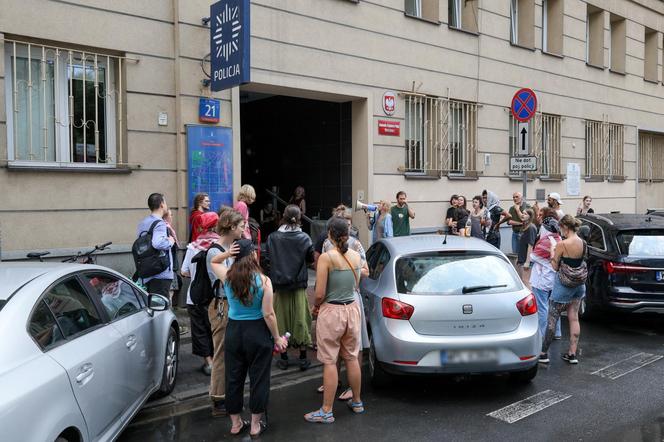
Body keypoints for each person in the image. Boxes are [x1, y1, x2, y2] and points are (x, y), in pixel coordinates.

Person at [210, 239, 287, 437]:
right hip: (258, 332)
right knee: (259, 378)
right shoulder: (264, 281)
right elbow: (269, 314)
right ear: (253, 255)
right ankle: (255, 425)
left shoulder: (228, 277)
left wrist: (228, 254)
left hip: (234, 332)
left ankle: (236, 423)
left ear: (236, 256)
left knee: (233, 378)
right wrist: (277, 338)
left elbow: (213, 262)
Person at [305, 217, 364, 424]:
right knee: (351, 357)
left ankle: (327, 410)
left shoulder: (326, 258)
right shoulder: (356, 256)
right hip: (352, 309)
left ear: (330, 233)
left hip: (332, 311)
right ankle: (357, 402)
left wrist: (315, 307)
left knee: (330, 360)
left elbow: (319, 293)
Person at [207, 207, 246, 417]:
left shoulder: (230, 248)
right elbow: (228, 280)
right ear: (231, 227)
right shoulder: (215, 252)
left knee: (231, 352)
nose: (243, 230)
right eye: (241, 226)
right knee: (221, 352)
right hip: (220, 306)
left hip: (229, 305)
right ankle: (218, 399)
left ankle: (227, 395)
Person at [267, 205, 315, 370]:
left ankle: (284, 357)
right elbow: (310, 259)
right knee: (301, 320)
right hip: (299, 286)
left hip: (280, 287)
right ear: (299, 218)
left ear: (284, 216)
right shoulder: (305, 238)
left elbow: (267, 260)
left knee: (280, 321)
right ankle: (302, 357)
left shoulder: (273, 237)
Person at [539, 215, 587, 365]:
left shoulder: (562, 244)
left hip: (563, 285)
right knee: (574, 318)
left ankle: (543, 353)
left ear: (565, 227)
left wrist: (553, 251)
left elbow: (554, 267)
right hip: (579, 286)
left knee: (552, 318)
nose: (560, 231)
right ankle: (572, 354)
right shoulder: (583, 243)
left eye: (560, 228)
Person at [180, 211, 220, 376]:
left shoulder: (193, 247)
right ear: (216, 225)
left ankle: (209, 362)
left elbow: (184, 272)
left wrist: (196, 274)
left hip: (195, 296)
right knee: (215, 328)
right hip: (216, 296)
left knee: (200, 330)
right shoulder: (220, 246)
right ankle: (218, 360)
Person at [529, 208, 563, 340]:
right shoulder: (559, 239)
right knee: (554, 307)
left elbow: (533, 257)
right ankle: (557, 332)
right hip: (555, 279)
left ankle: (542, 334)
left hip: (542, 280)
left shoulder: (545, 241)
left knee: (542, 308)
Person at [136, 193, 175, 297]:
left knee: (150, 306)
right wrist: (171, 241)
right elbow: (158, 243)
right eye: (165, 202)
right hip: (160, 274)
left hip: (146, 272)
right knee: (160, 308)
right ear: (162, 204)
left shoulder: (143, 223)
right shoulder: (160, 223)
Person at [163, 209, 181, 305]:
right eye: (171, 214)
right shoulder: (166, 228)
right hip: (169, 265)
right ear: (166, 217)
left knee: (170, 292)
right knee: (169, 292)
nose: (172, 216)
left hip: (170, 265)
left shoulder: (168, 228)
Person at [516, 208, 537, 288]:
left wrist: (527, 262)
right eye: (522, 213)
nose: (522, 215)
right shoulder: (524, 226)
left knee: (526, 281)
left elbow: (530, 246)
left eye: (525, 214)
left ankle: (531, 300)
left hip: (526, 260)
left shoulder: (531, 228)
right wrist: (518, 258)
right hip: (521, 258)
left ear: (530, 216)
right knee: (522, 281)